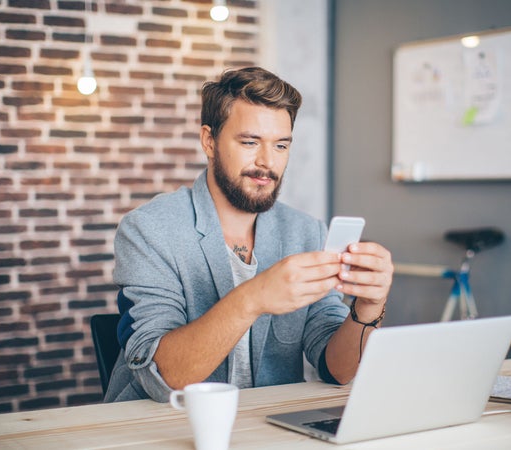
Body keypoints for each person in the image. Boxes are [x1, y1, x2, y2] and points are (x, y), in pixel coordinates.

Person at [105, 67, 393, 402]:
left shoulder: (305, 231)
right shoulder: (149, 230)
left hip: (265, 429)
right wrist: (252, 297)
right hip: (159, 428)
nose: (267, 162)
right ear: (209, 141)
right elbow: (163, 377)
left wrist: (369, 306)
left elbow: (338, 369)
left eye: (281, 145)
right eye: (249, 142)